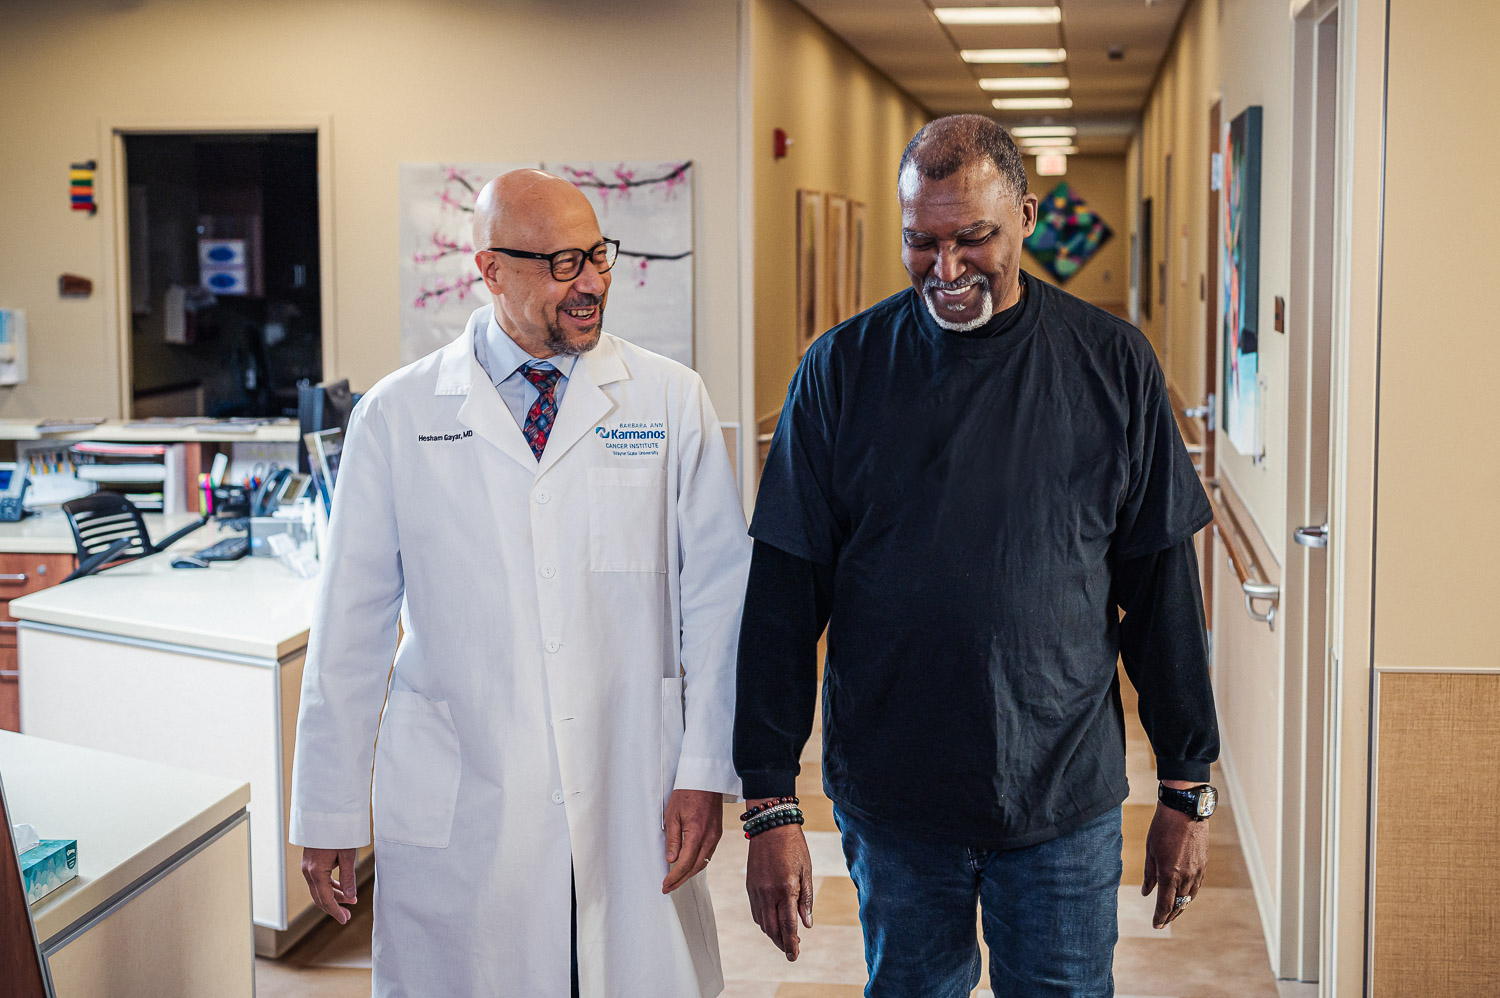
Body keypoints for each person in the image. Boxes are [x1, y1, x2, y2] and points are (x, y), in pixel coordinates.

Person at [734, 115, 1221, 996]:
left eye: (974, 239)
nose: (946, 269)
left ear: (1027, 216)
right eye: (921, 243)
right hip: (895, 799)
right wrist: (769, 798)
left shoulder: (1112, 365)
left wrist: (1187, 782)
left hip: (1060, 797)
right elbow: (783, 596)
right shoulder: (841, 373)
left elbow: (1160, 591)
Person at [289, 169, 749, 998]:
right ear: (491, 270)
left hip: (629, 774)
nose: (594, 284)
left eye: (598, 256)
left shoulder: (668, 400)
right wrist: (324, 811)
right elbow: (350, 630)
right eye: (564, 264)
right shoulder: (398, 416)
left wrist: (704, 767)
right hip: (469, 786)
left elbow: (719, 601)